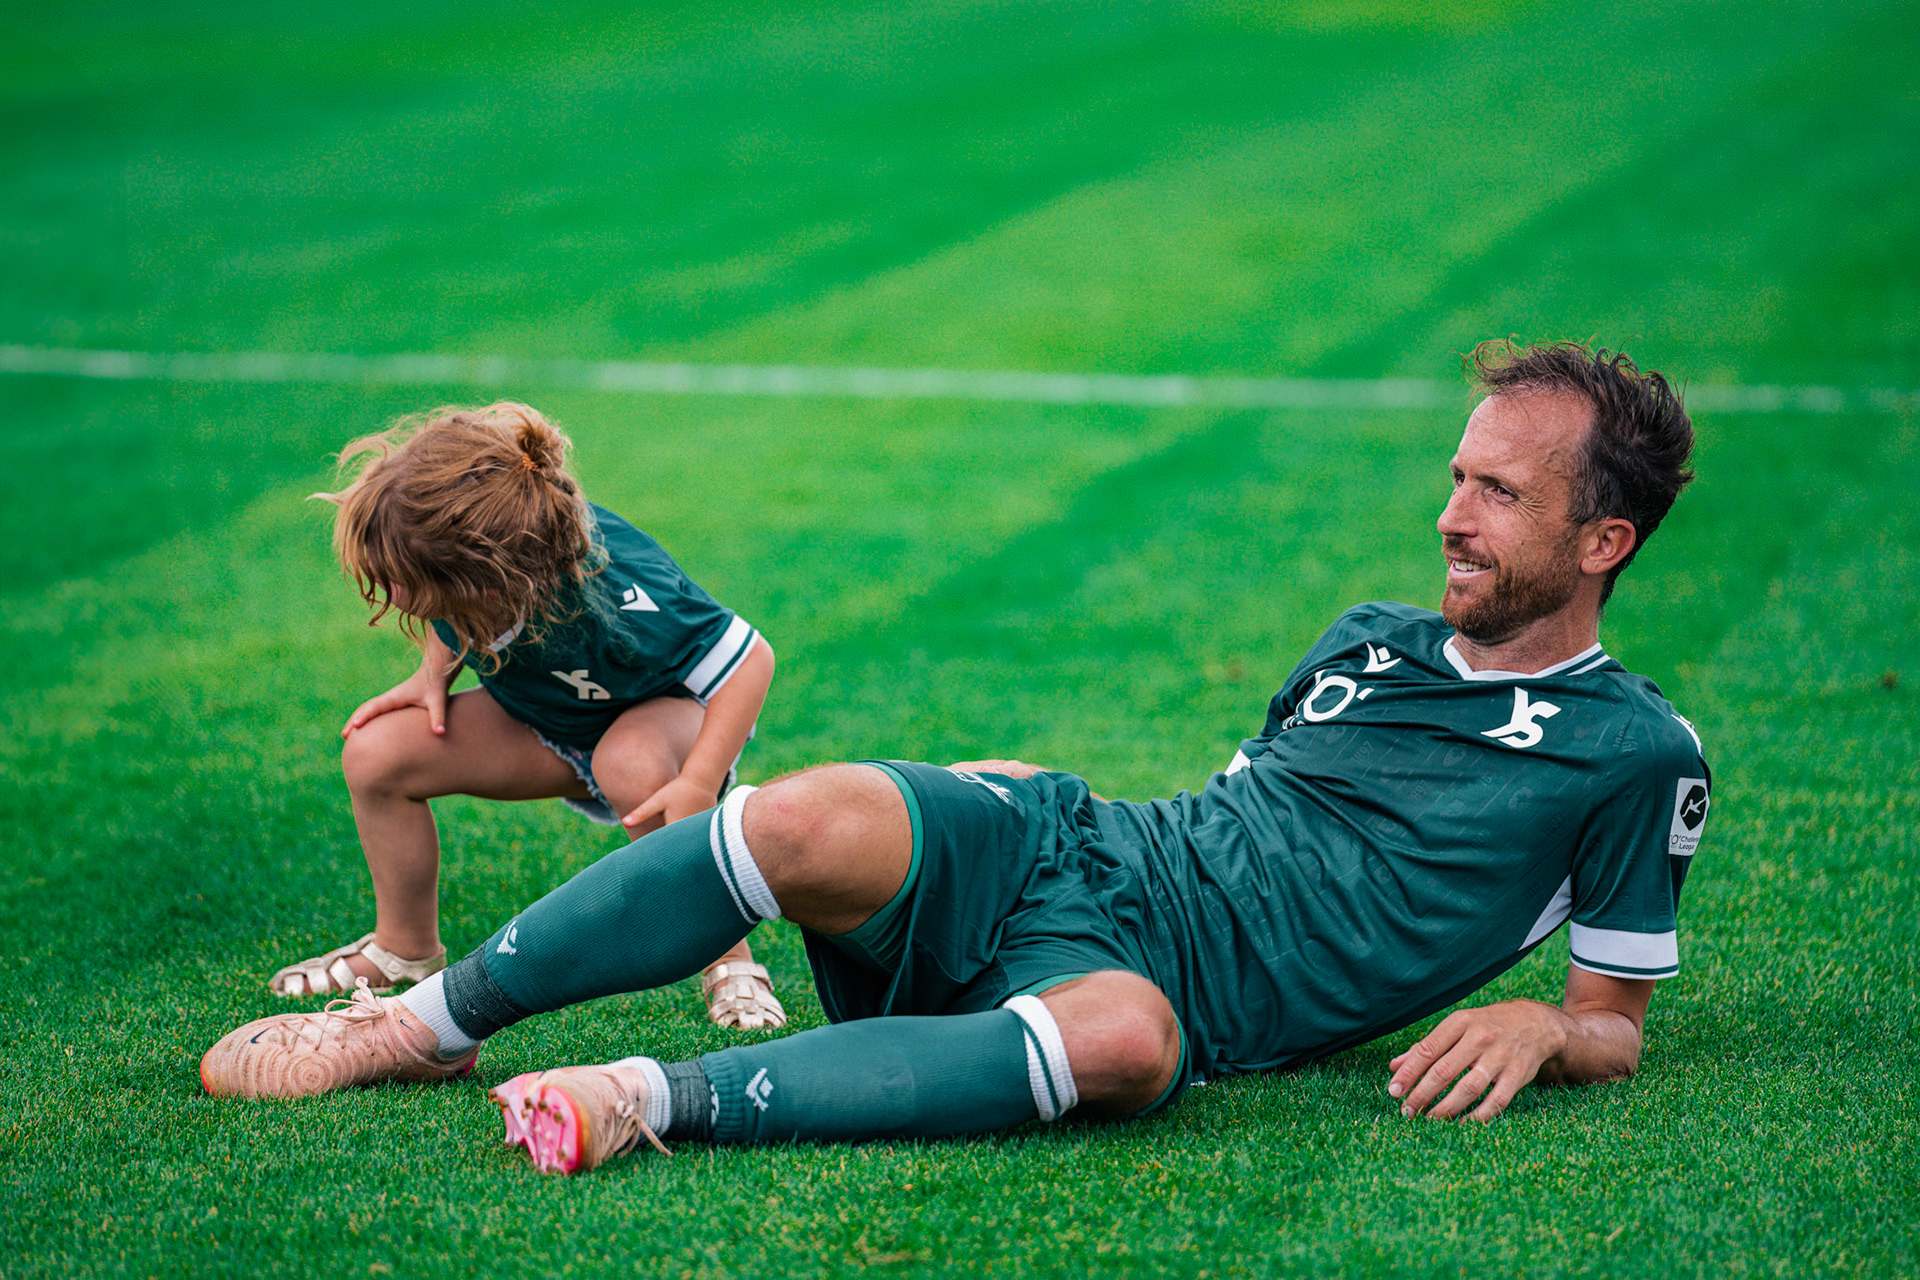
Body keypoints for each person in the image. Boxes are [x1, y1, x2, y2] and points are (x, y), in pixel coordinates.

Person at [203, 341, 1711, 1174]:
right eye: (1455, 476)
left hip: (1159, 983)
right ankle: (424, 1023)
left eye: (1498, 495)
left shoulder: (1633, 755)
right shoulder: (1371, 635)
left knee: (1128, 1047)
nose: (1452, 514)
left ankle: (647, 1097)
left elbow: (1617, 1021)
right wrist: (1028, 800)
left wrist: (1546, 1029)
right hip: (1088, 849)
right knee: (806, 815)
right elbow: (1252, 820)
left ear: (1601, 541)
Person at [267, 401, 787, 1030]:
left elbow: (748, 660)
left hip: (669, 717)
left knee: (628, 761)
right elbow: (448, 607)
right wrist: (431, 675)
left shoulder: (618, 578)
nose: (388, 590)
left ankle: (729, 962)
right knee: (376, 751)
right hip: (549, 724)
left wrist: (699, 781)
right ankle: (403, 951)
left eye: (401, 581)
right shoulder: (476, 563)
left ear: (490, 574)